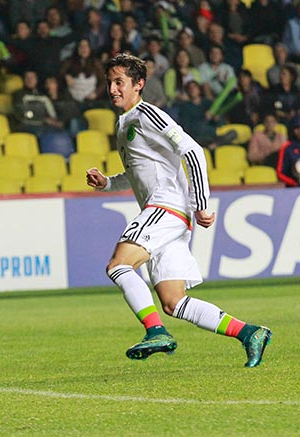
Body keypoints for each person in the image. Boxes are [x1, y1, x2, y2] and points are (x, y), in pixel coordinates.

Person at [85, 53, 272, 368]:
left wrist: (201, 203)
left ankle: (155, 331)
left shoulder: (147, 114)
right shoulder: (125, 122)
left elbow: (192, 150)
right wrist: (106, 183)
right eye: (110, 83)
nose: (113, 89)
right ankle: (250, 333)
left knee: (118, 265)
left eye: (119, 82)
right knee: (174, 302)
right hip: (169, 214)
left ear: (139, 84)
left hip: (167, 207)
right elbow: (137, 173)